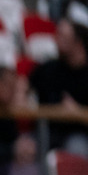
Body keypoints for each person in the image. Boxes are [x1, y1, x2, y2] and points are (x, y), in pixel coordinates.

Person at [29, 18, 88, 156]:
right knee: (25, 146)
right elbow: (25, 83)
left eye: (63, 36)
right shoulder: (49, 68)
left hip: (79, 135)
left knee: (76, 147)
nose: (56, 39)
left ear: (78, 43)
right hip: (46, 132)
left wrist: (78, 113)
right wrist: (20, 93)